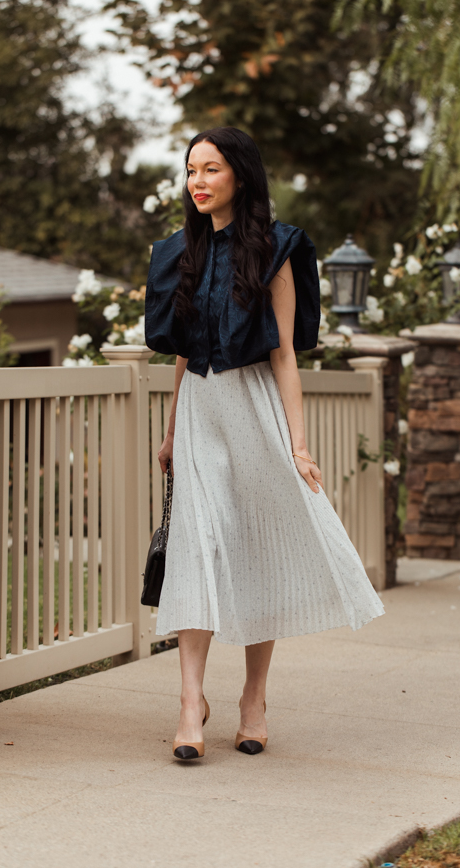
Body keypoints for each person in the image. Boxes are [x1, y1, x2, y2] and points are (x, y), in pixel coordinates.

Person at [145, 127, 384, 761]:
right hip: (200, 407)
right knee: (196, 547)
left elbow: (284, 358)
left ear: (240, 176)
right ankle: (190, 703)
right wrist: (171, 431)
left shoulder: (278, 250)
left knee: (256, 545)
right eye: (191, 170)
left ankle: (254, 698)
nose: (197, 181)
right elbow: (180, 352)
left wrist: (298, 446)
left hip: (255, 407)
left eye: (211, 169)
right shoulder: (178, 253)